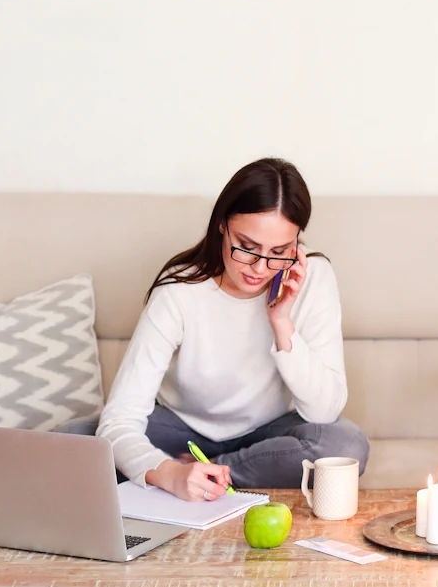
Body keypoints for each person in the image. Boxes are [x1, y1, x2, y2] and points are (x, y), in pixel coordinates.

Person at [70, 157, 369, 502]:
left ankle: (211, 471)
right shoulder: (178, 292)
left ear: (296, 243)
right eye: (247, 247)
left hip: (268, 436)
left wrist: (282, 322)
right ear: (221, 226)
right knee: (71, 441)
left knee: (345, 445)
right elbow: (121, 416)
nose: (260, 268)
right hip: (182, 429)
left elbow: (324, 412)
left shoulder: (312, 278)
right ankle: (188, 473)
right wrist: (167, 471)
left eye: (279, 251)